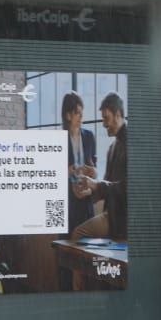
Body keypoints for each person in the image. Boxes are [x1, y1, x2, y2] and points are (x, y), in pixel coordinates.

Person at [70, 92, 127, 242]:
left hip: (124, 218)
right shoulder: (112, 148)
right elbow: (107, 186)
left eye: (106, 118)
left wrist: (95, 184)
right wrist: (88, 191)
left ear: (118, 114)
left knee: (78, 233)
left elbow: (130, 188)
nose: (103, 124)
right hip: (113, 214)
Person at [61, 92, 98, 234]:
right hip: (69, 203)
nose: (81, 117)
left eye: (82, 113)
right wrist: (68, 171)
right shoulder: (58, 140)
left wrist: (94, 172)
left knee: (89, 246)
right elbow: (52, 176)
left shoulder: (89, 137)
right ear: (68, 115)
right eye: (77, 113)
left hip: (87, 199)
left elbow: (94, 168)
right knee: (68, 245)